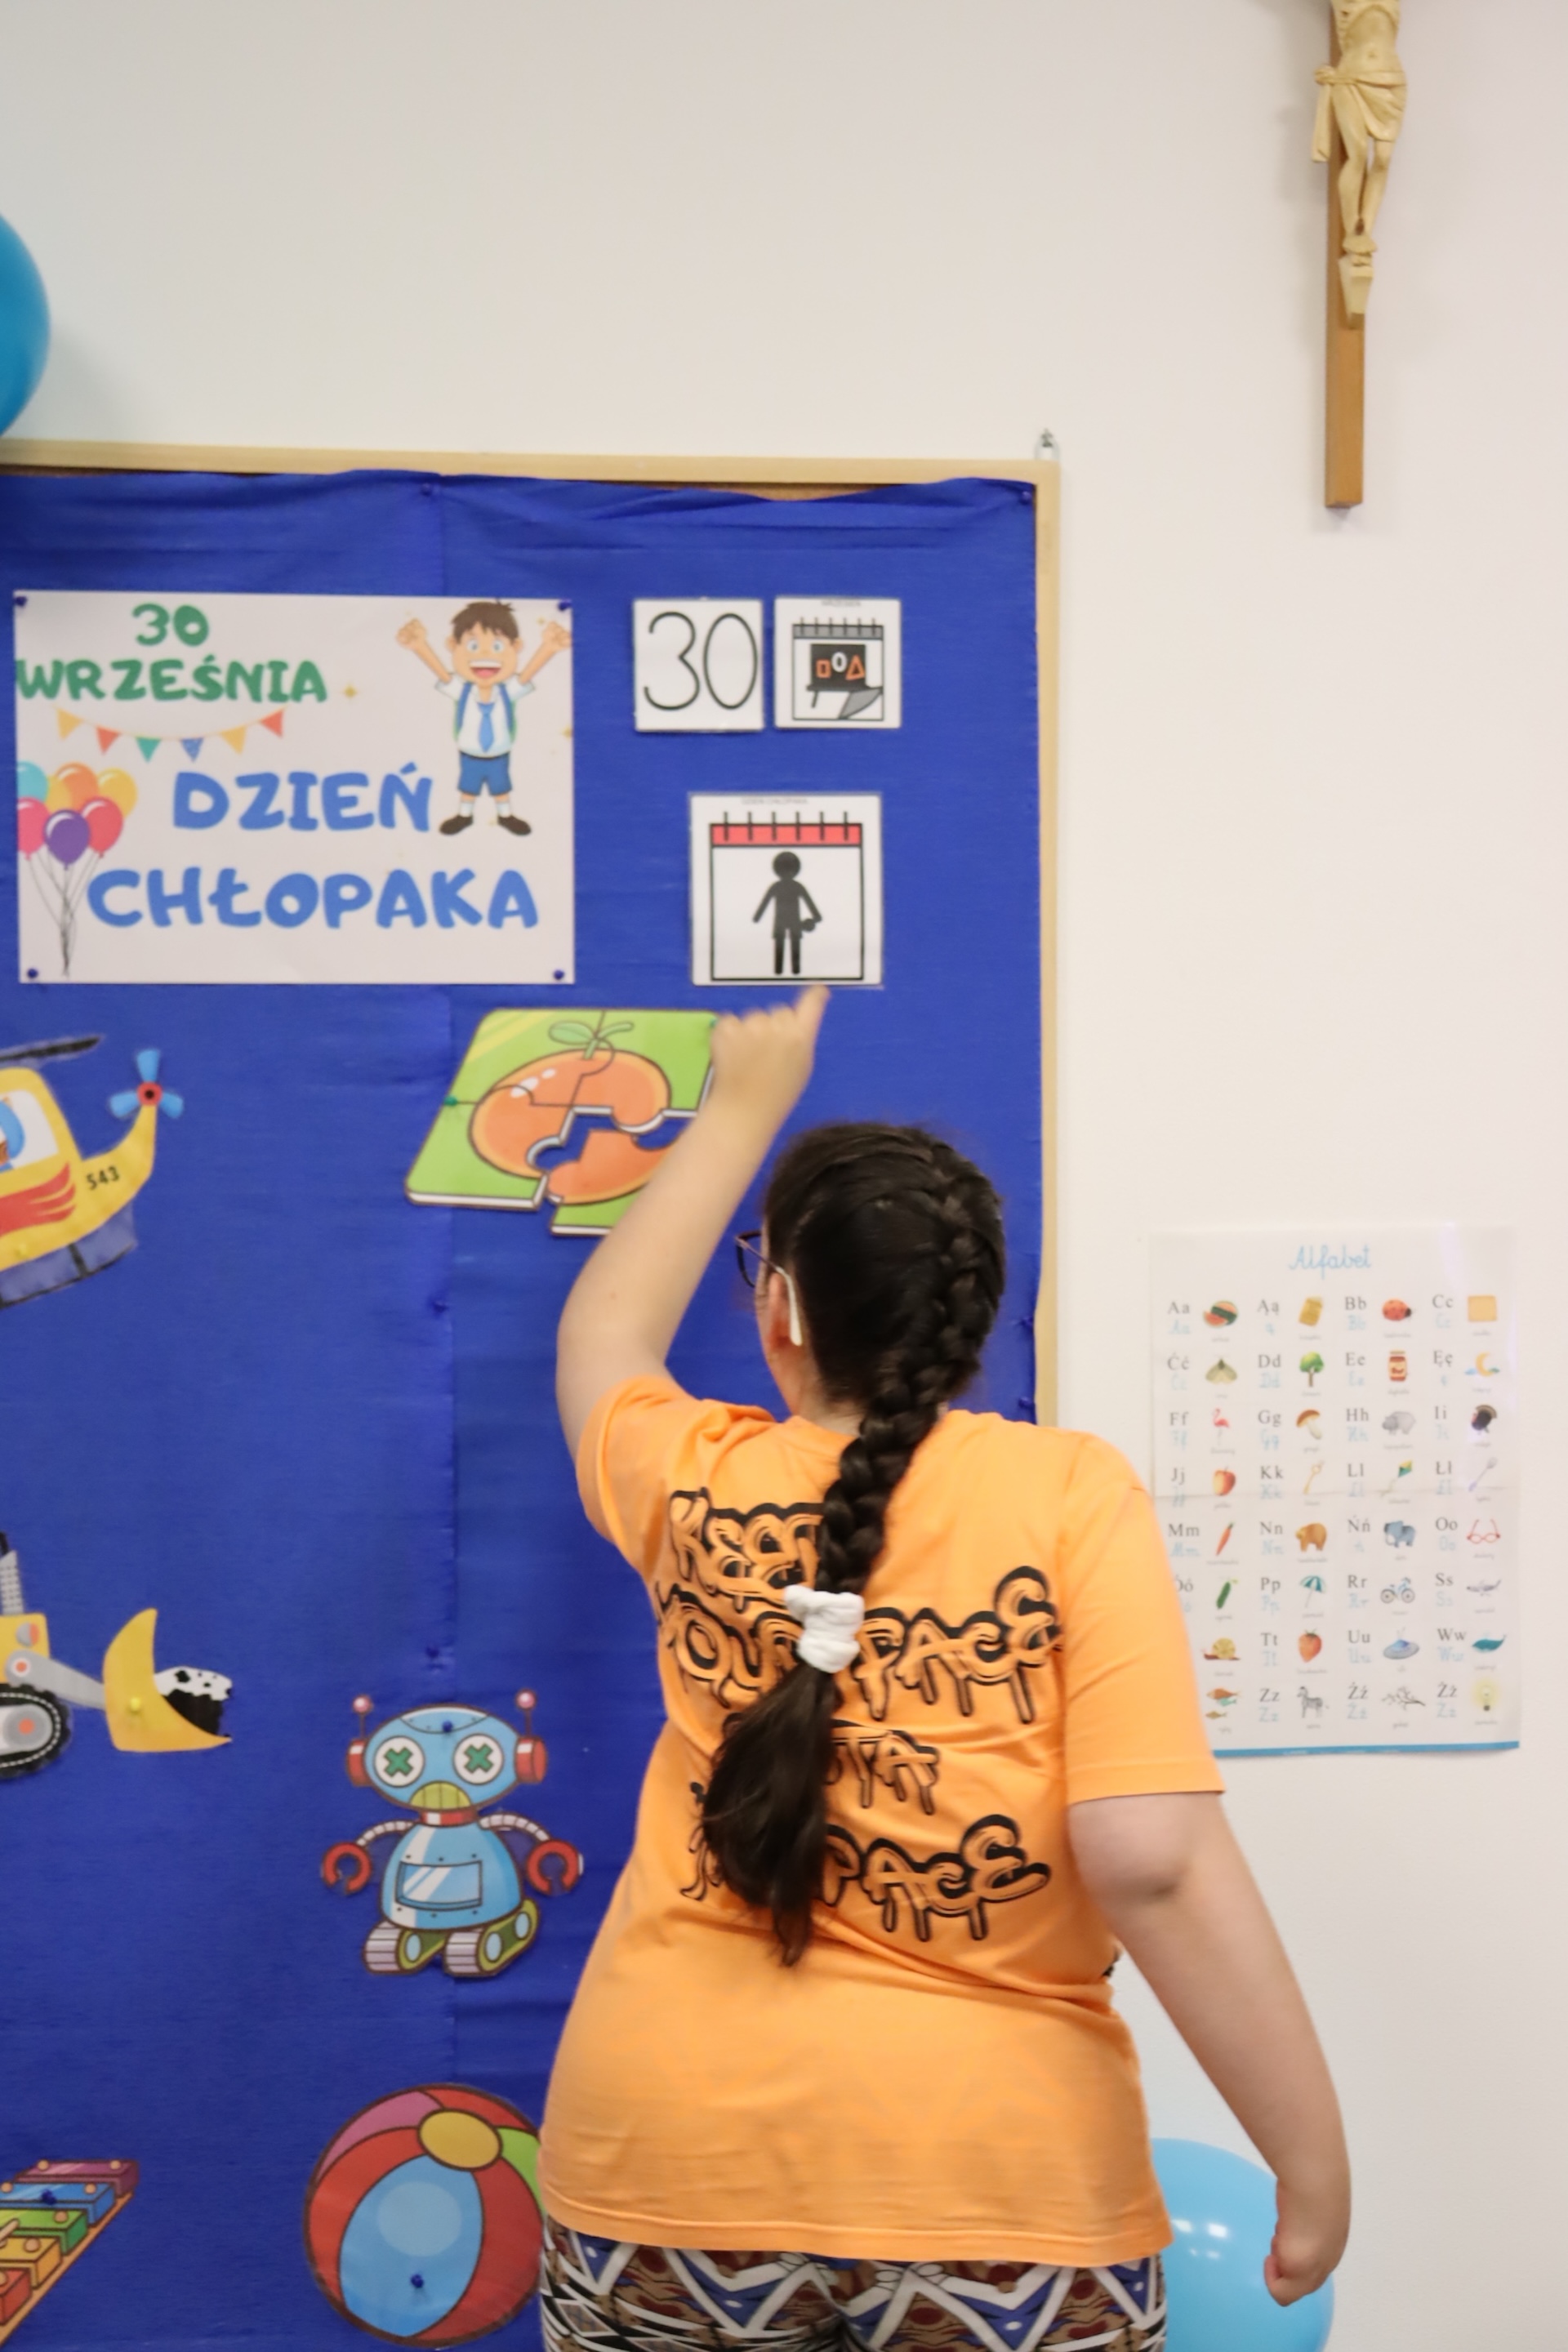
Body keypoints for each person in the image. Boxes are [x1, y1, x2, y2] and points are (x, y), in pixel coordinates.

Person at [542, 988, 1348, 2352]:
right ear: (969, 1315)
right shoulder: (1071, 1494)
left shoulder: (683, 1474)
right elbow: (1150, 1859)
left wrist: (746, 1103)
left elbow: (602, 1337)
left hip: (661, 2175)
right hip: (1005, 2185)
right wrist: (1310, 2158)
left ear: (780, 1310)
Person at [394, 600, 570, 836]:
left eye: (497, 646)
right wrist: (419, 646)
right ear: (453, 646)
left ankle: (505, 816)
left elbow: (527, 675)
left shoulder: (507, 691)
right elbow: (442, 674)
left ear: (516, 647)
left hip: (499, 754)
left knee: (501, 787)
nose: (485, 654)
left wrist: (549, 648)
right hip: (470, 753)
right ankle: (464, 815)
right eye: (473, 645)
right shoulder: (463, 690)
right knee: (468, 786)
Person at [753, 850, 822, 978]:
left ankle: (788, 970)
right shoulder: (793, 886)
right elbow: (766, 901)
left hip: (789, 922)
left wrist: (757, 917)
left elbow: (765, 902)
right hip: (788, 922)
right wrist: (817, 916)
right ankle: (785, 970)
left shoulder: (781, 886)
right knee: (784, 944)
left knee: (790, 944)